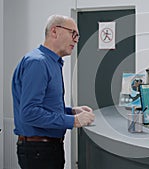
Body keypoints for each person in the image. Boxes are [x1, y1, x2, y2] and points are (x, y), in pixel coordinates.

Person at [11, 15, 95, 169]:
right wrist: (74, 121)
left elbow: (45, 107)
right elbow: (29, 112)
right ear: (55, 31)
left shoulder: (52, 62)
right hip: (38, 151)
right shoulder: (38, 62)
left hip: (48, 149)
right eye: (73, 34)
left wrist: (71, 111)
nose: (76, 40)